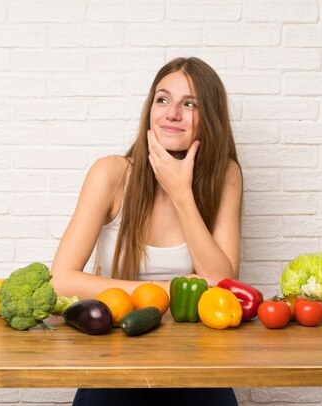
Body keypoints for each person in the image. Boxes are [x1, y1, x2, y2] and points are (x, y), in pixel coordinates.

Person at [50, 57, 242, 406]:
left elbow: (222, 280)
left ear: (209, 118)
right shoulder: (110, 174)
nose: (172, 114)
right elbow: (61, 280)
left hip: (198, 360)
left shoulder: (224, 176)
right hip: (113, 355)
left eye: (190, 104)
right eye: (163, 99)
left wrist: (182, 193)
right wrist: (168, 293)